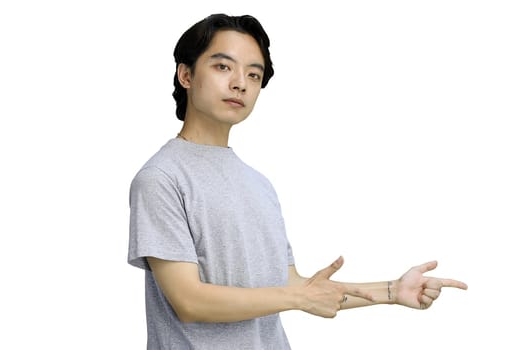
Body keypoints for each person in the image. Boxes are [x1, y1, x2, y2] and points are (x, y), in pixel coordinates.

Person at [128, 13, 468, 349]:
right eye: (222, 67)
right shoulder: (161, 178)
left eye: (254, 74)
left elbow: (293, 286)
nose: (240, 83)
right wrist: (297, 298)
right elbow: (190, 302)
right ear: (185, 75)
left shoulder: (259, 184)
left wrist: (392, 290)